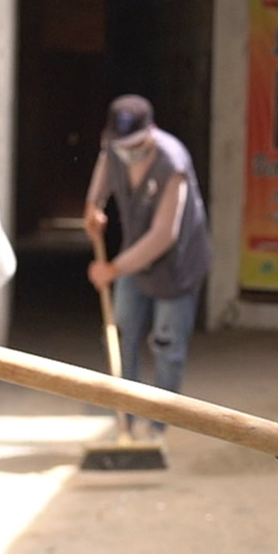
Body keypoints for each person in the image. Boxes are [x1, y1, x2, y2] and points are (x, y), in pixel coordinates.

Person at [82, 94, 211, 435]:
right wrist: (94, 204)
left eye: (134, 143)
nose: (126, 150)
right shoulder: (114, 149)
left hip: (177, 264)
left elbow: (163, 235)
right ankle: (126, 416)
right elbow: (104, 167)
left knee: (167, 345)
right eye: (119, 144)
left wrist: (113, 269)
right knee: (122, 332)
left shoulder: (173, 164)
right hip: (135, 259)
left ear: (150, 133)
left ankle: (159, 426)